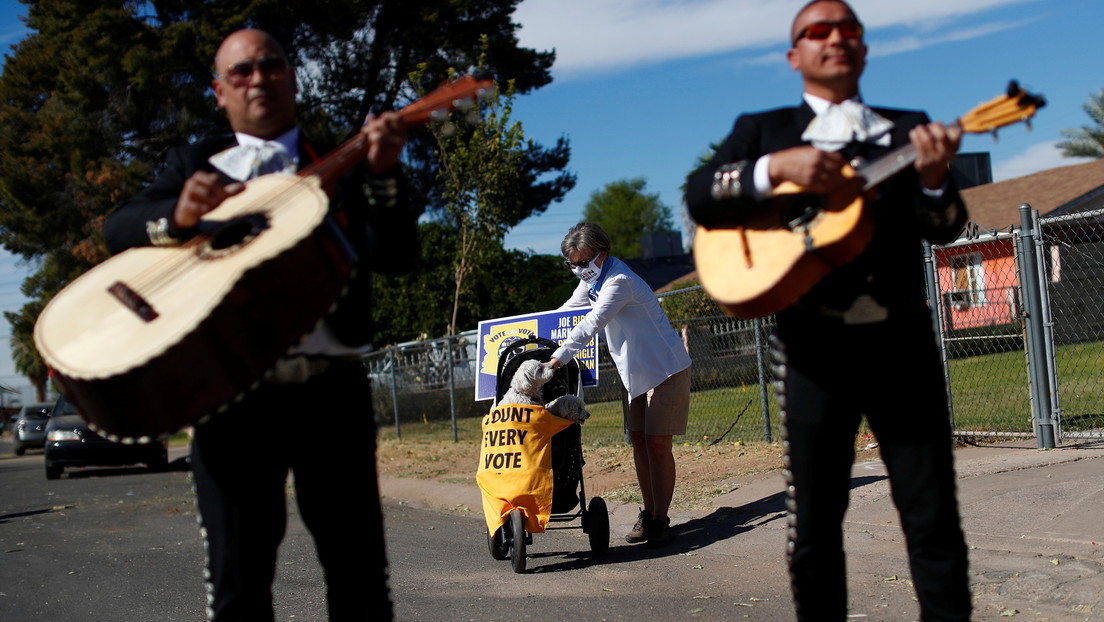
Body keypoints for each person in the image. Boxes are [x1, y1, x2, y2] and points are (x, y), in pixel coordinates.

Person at [104, 29, 420, 621]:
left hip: (333, 393)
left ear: (292, 78)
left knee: (360, 579)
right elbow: (118, 228)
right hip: (229, 397)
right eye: (241, 71)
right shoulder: (192, 164)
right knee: (238, 581)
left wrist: (381, 173)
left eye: (270, 65)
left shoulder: (340, 161)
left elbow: (396, 252)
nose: (258, 79)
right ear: (219, 91)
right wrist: (178, 215)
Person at [685, 1, 971, 620]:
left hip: (903, 347)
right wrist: (773, 168)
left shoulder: (908, 128)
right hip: (812, 351)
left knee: (933, 520)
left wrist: (931, 179)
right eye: (818, 31)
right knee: (813, 526)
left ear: (864, 49)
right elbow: (702, 195)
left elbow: (944, 228)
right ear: (796, 56)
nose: (836, 38)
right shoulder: (764, 129)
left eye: (849, 29)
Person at [546, 222, 692, 548]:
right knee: (639, 443)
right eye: (572, 264)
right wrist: (537, 335)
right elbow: (567, 312)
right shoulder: (594, 282)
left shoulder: (619, 281)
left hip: (665, 371)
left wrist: (556, 360)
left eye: (583, 262)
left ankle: (661, 520)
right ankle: (650, 512)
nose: (578, 270)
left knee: (657, 446)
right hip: (636, 376)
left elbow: (591, 323)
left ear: (603, 254)